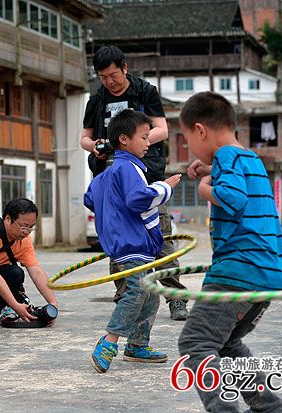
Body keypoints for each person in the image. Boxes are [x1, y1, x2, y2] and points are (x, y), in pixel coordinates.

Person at [178, 91, 282, 412]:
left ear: (200, 130)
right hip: (267, 272)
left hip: (238, 270)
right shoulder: (248, 159)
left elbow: (234, 198)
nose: (190, 149)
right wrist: (210, 172)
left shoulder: (227, 156)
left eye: (187, 140)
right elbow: (239, 187)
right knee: (226, 343)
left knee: (195, 344)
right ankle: (269, 407)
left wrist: (203, 188)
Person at [80, 45, 189, 320]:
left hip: (146, 175)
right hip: (110, 179)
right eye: (103, 77)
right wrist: (95, 146)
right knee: (118, 241)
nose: (109, 81)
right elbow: (83, 138)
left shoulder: (144, 92)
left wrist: (130, 143)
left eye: (113, 75)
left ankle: (175, 297)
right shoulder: (97, 100)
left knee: (160, 237)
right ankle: (124, 296)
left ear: (125, 68)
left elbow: (162, 129)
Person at [84, 110, 181, 374]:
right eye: (144, 137)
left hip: (124, 246)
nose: (149, 143)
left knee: (149, 293)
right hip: (130, 245)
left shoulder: (110, 171)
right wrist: (164, 187)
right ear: (124, 139)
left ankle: (137, 345)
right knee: (137, 292)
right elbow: (138, 200)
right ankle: (109, 342)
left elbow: (89, 198)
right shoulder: (127, 168)